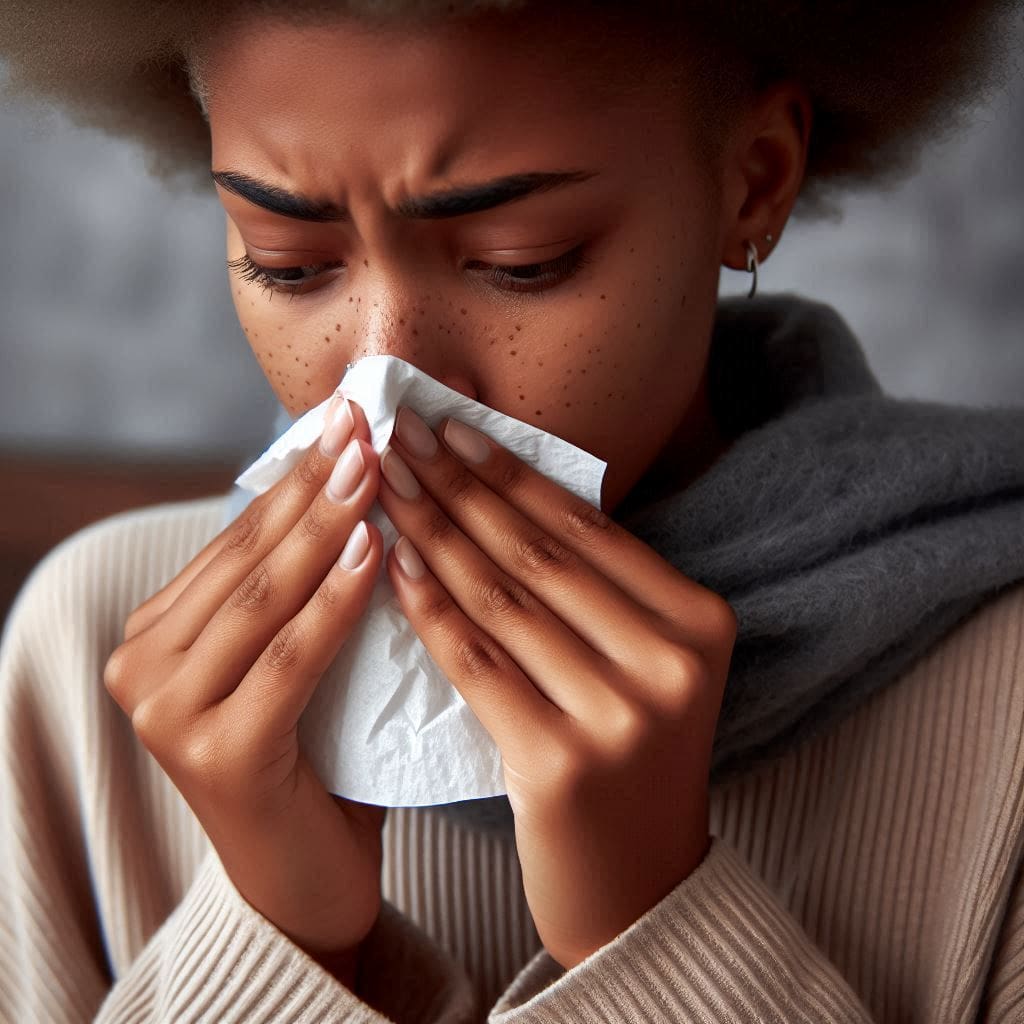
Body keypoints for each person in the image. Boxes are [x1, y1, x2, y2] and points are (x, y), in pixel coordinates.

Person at [1, 2, 1023, 1021]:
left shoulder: (1003, 702)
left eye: (519, 259)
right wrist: (279, 935)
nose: (383, 375)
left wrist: (656, 934)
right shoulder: (94, 654)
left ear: (753, 178)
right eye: (287, 260)